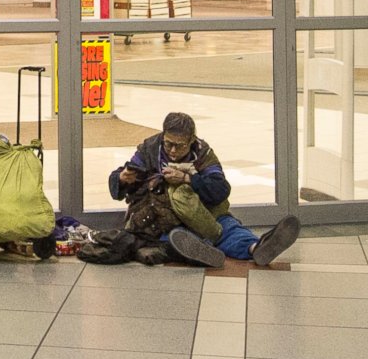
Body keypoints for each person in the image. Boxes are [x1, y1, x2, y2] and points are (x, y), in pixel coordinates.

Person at [90, 110, 297, 268]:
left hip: (203, 212)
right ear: (163, 136)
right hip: (160, 219)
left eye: (179, 146)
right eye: (169, 143)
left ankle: (257, 248)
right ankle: (201, 248)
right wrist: (122, 178)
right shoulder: (149, 149)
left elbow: (220, 190)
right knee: (178, 236)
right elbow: (120, 183)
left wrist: (190, 179)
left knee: (226, 226)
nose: (173, 150)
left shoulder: (204, 153)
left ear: (191, 140)